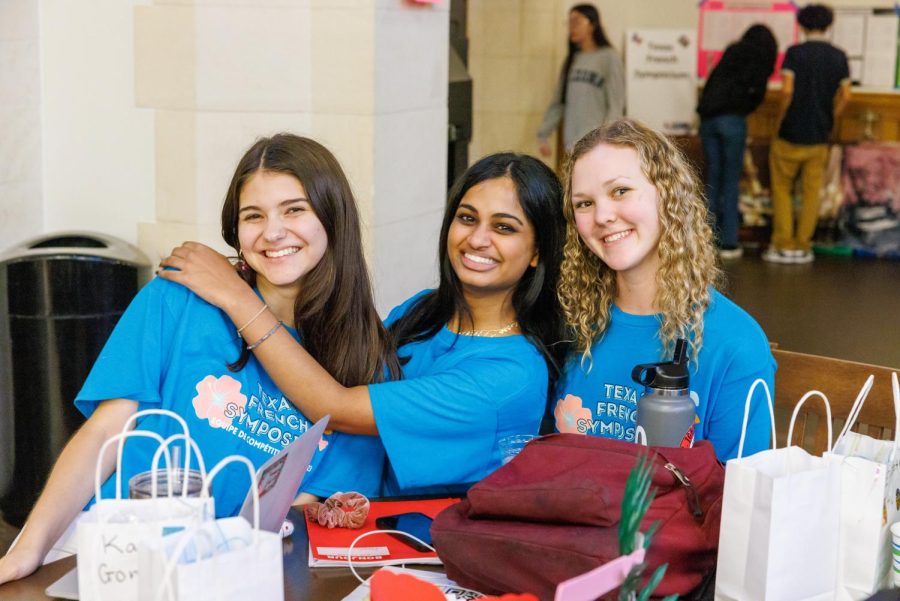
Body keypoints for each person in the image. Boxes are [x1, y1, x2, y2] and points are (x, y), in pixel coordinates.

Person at [0, 134, 399, 584]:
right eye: (254, 216)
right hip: (117, 551)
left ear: (333, 216)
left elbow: (307, 508)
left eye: (294, 209)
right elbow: (103, 433)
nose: (272, 232)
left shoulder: (367, 362)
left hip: (237, 570)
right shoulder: (178, 297)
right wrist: (28, 548)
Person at [158, 152, 569, 496]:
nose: (478, 239)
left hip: (431, 552)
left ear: (537, 251)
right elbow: (339, 361)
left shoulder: (512, 375)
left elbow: (333, 407)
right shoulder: (423, 312)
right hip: (355, 520)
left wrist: (234, 295)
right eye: (467, 218)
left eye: (504, 227)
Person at [552, 119, 775, 461]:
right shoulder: (568, 322)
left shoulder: (736, 345)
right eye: (584, 203)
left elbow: (738, 497)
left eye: (620, 191)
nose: (603, 216)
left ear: (667, 194)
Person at [764, 3, 851, 264]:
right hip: (819, 135)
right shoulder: (839, 56)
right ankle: (803, 245)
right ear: (828, 25)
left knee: (782, 189)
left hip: (790, 133)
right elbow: (846, 96)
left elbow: (787, 91)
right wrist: (831, 116)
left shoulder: (794, 53)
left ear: (801, 25)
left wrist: (779, 119)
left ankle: (783, 243)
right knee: (812, 191)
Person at [697, 24, 778, 260]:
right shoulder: (760, 59)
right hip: (732, 121)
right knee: (731, 181)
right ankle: (729, 243)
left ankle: (706, 241)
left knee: (712, 180)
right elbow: (757, 96)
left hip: (708, 120)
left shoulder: (732, 52)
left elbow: (712, 85)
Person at [537, 3, 625, 159]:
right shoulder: (572, 60)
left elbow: (616, 103)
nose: (572, 27)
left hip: (598, 144)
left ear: (592, 25)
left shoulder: (609, 57)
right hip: (572, 145)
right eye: (569, 22)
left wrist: (609, 139)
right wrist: (543, 135)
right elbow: (558, 102)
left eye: (576, 21)